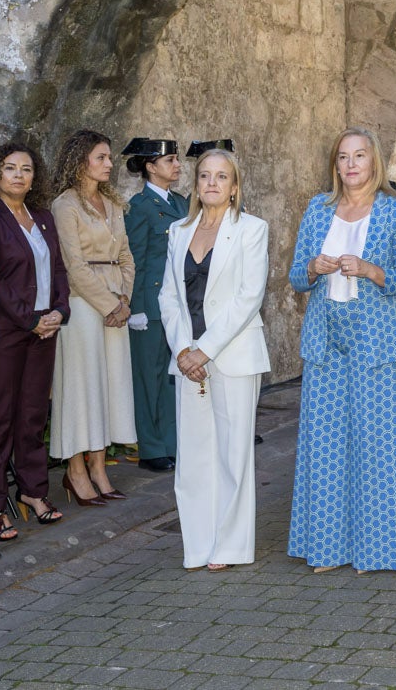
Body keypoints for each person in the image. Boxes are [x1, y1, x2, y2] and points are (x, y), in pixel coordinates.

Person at [287, 127, 396, 573]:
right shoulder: (317, 209)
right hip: (324, 341)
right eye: (343, 157)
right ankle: (326, 550)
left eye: (359, 156)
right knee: (324, 446)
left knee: (375, 447)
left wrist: (371, 270)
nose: (350, 164)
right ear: (335, 164)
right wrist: (311, 266)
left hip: (376, 342)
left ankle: (376, 552)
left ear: (373, 161)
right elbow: (296, 278)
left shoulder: (394, 210)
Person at [158, 149, 270, 570]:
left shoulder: (251, 229)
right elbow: (169, 296)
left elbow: (248, 297)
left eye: (221, 177)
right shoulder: (177, 231)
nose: (211, 183)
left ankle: (231, 546)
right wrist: (184, 349)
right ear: (196, 184)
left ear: (234, 186)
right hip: (188, 357)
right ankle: (198, 545)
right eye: (205, 175)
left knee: (232, 454)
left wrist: (206, 349)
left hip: (234, 354)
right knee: (194, 455)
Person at [0, 142, 71, 538]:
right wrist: (30, 319)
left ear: (35, 177)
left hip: (44, 330)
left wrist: (59, 312)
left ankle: (33, 491)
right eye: (10, 168)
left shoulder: (44, 218)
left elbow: (60, 271)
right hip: (6, 333)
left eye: (26, 169)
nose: (18, 175)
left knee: (33, 414)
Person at [48, 130, 137, 506]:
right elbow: (73, 265)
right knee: (82, 389)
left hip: (116, 301)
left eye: (109, 157)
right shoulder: (64, 205)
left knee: (110, 386)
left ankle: (100, 467)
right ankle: (76, 471)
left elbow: (128, 255)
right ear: (80, 159)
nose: (109, 163)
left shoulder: (113, 204)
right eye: (101, 157)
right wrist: (107, 304)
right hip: (83, 305)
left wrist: (125, 299)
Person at [123, 138, 187, 473]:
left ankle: (172, 442)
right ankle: (151, 448)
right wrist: (135, 307)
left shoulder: (180, 202)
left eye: (177, 160)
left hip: (176, 303)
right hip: (149, 303)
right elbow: (134, 258)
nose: (177, 166)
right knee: (148, 377)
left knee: (172, 376)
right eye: (170, 160)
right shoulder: (139, 205)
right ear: (150, 166)